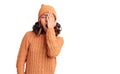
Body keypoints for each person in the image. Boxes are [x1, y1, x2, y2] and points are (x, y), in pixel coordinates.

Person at [16, 4, 64, 74]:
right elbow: (20, 61)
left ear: (55, 21)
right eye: (44, 16)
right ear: (39, 20)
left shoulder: (59, 40)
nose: (47, 20)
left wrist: (50, 29)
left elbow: (52, 53)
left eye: (50, 17)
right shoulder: (29, 36)